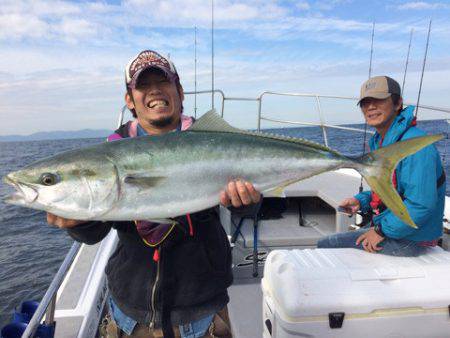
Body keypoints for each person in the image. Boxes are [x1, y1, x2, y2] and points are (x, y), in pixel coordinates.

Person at [47, 50, 261, 338]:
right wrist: (78, 221)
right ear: (130, 99)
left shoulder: (210, 141)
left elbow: (249, 210)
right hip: (130, 313)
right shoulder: (112, 153)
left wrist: (247, 204)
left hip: (202, 311)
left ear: (179, 91)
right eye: (143, 86)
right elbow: (95, 234)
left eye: (164, 82)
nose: (155, 91)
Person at [317, 75, 445, 256]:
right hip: (394, 228)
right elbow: (391, 191)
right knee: (328, 243)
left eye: (378, 100)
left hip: (413, 239)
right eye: (365, 102)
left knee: (327, 246)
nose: (370, 106)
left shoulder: (415, 146)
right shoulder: (380, 142)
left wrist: (379, 232)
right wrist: (360, 201)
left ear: (397, 103)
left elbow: (420, 204)